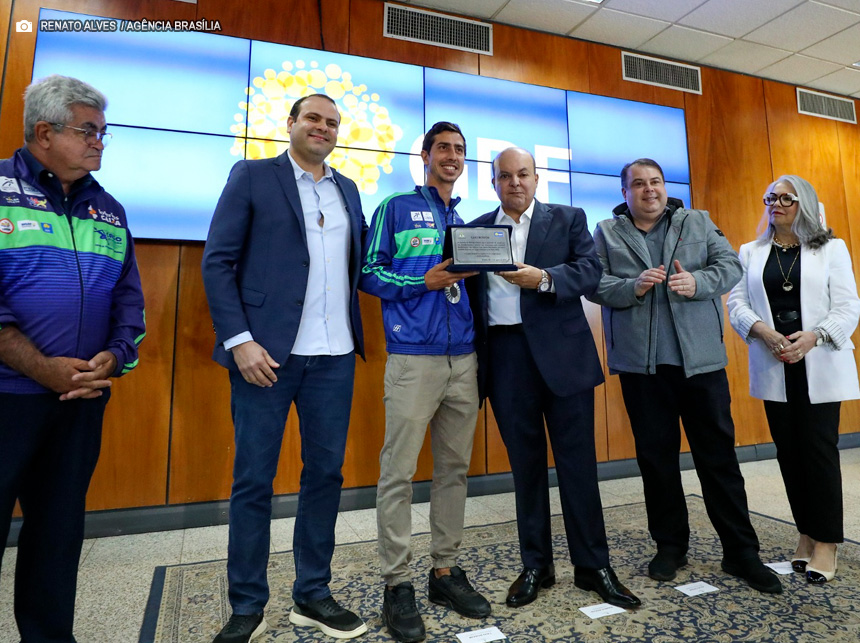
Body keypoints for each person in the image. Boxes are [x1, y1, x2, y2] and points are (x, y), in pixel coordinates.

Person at [202, 93, 368, 642]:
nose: (323, 127)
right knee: (254, 481)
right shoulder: (252, 176)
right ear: (291, 124)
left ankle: (312, 594)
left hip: (335, 356)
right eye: (313, 118)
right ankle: (247, 604)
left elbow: (356, 270)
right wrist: (240, 341)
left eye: (332, 122)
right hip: (264, 358)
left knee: (325, 476)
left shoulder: (348, 190)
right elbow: (218, 262)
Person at [588, 158, 782, 594]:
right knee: (656, 462)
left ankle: (741, 552)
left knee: (718, 459)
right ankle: (670, 547)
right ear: (624, 193)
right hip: (642, 368)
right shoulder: (607, 232)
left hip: (701, 364)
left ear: (664, 186)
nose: (648, 190)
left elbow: (731, 266)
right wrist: (633, 286)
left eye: (655, 182)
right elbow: (593, 283)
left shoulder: (697, 220)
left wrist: (697, 282)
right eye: (638, 184)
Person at [0, 75, 145, 643]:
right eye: (89, 132)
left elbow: (129, 299)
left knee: (57, 534)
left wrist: (113, 356)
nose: (100, 144)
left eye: (103, 134)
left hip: (81, 400)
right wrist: (43, 368)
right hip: (7, 400)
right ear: (44, 132)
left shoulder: (108, 209)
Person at [468, 147, 641, 609]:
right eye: (505, 176)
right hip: (505, 358)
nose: (515, 183)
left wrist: (543, 278)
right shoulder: (475, 230)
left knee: (578, 466)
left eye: (523, 173)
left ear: (536, 177)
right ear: (494, 183)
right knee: (525, 469)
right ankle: (536, 566)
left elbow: (590, 270)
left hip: (563, 358)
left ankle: (593, 566)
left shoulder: (568, 218)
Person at [361, 122, 489, 643]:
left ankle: (444, 571)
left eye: (460, 150)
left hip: (465, 359)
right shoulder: (395, 207)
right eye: (443, 148)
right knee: (398, 472)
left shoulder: (468, 219)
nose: (452, 157)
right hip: (414, 360)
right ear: (425, 155)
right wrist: (423, 280)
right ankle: (397, 583)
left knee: (454, 470)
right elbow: (370, 272)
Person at [727, 175, 860, 584]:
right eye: (771, 197)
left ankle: (827, 542)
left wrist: (814, 336)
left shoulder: (831, 249)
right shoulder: (751, 251)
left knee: (818, 452)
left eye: (787, 197)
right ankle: (805, 534)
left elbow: (848, 306)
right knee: (789, 453)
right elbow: (736, 301)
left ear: (805, 204)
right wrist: (761, 331)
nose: (777, 203)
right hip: (774, 361)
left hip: (818, 360)